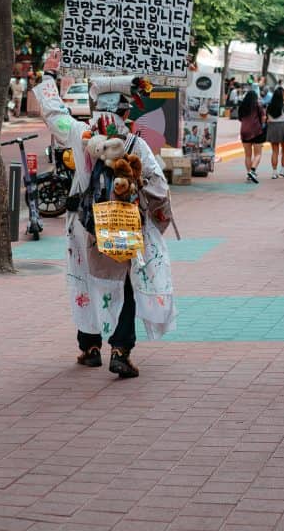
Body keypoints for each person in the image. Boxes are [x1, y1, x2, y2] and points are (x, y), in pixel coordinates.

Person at [35, 49, 175, 378]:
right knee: (124, 285)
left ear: (96, 109)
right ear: (127, 113)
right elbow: (159, 190)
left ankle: (90, 346)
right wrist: (153, 222)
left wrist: (48, 75)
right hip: (124, 226)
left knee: (86, 279)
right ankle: (121, 352)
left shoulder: (80, 135)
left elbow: (53, 113)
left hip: (86, 227)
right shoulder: (135, 146)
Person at [238, 89, 266, 183]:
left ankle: (249, 174)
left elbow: (240, 119)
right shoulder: (257, 105)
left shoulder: (242, 106)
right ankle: (252, 171)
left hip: (244, 131)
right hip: (256, 131)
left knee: (247, 155)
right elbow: (263, 118)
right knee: (258, 154)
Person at [265, 87, 284, 179]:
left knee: (274, 151)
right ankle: (283, 170)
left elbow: (266, 119)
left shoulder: (269, 106)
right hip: (283, 127)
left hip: (272, 128)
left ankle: (274, 172)